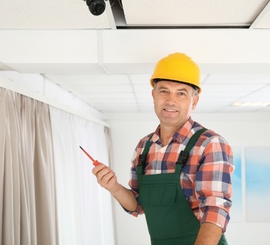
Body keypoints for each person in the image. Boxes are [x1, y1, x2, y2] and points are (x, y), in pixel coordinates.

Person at [92, 52, 234, 245]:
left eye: (181, 93)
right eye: (164, 91)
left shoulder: (209, 144)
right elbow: (137, 205)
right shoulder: (144, 147)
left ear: (194, 101)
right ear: (153, 95)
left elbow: (216, 208)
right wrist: (113, 187)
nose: (170, 100)